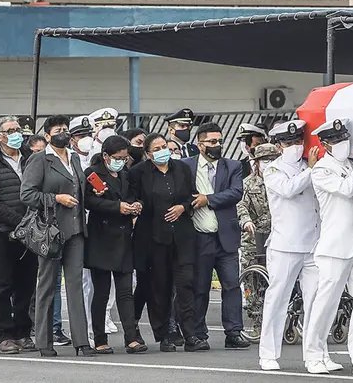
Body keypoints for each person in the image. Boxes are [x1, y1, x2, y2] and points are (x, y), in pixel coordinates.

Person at [21, 115, 95, 357]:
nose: (63, 132)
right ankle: (44, 341)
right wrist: (55, 199)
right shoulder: (39, 160)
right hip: (50, 231)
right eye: (58, 129)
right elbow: (27, 194)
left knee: (75, 285)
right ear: (47, 135)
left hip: (75, 230)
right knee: (47, 285)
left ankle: (81, 341)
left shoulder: (73, 158)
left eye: (65, 129)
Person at [302, 119, 353, 374]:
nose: (343, 144)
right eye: (337, 141)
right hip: (335, 247)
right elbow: (347, 189)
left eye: (345, 139)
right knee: (326, 302)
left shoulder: (352, 164)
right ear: (325, 144)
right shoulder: (321, 170)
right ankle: (314, 354)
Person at [128, 132, 202, 352]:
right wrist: (137, 206)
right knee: (159, 288)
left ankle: (190, 334)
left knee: (186, 284)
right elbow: (132, 198)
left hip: (182, 236)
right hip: (154, 238)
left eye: (165, 147)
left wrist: (183, 207)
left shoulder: (182, 168)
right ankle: (165, 335)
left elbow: (192, 195)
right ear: (148, 154)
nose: (163, 152)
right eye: (157, 149)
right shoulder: (138, 173)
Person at [179, 122, 248, 350]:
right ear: (200, 145)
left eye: (219, 141)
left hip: (226, 237)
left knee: (231, 285)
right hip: (200, 237)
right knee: (200, 287)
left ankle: (234, 332)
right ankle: (198, 334)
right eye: (212, 142)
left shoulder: (233, 166)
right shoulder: (185, 166)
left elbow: (236, 192)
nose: (217, 145)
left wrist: (207, 199)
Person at [258, 121, 319, 371]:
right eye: (289, 143)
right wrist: (312, 170)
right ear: (278, 145)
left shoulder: (311, 164)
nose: (295, 146)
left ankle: (315, 354)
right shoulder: (272, 169)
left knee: (316, 300)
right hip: (286, 244)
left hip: (314, 243)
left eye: (298, 141)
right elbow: (289, 190)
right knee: (278, 299)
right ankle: (268, 353)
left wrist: (313, 168)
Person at [0, 116, 38, 354]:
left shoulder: (30, 158)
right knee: (2, 284)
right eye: (9, 130)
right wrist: (18, 221)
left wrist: (30, 221)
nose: (15, 133)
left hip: (30, 231)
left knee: (26, 283)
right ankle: (3, 334)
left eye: (17, 129)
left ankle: (23, 331)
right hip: (1, 231)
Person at [84, 134, 146, 354]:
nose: (122, 161)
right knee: (101, 292)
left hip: (123, 237)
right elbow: (89, 201)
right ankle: (100, 339)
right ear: (105, 156)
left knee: (125, 291)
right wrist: (117, 207)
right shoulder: (92, 174)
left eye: (125, 157)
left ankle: (131, 337)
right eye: (118, 157)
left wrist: (136, 205)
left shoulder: (126, 174)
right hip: (101, 237)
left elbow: (135, 196)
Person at [82, 108, 121, 340]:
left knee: (116, 274)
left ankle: (106, 314)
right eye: (102, 125)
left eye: (111, 125)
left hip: (116, 221)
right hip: (92, 219)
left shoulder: (118, 149)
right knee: (92, 278)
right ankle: (91, 318)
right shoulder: (86, 151)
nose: (106, 129)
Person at [236, 143, 278, 332]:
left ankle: (279, 319)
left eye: (272, 160)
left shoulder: (281, 181)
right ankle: (257, 319)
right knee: (253, 281)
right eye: (264, 161)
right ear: (257, 164)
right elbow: (241, 206)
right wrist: (246, 222)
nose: (268, 164)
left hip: (279, 237)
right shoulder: (248, 183)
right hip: (254, 238)